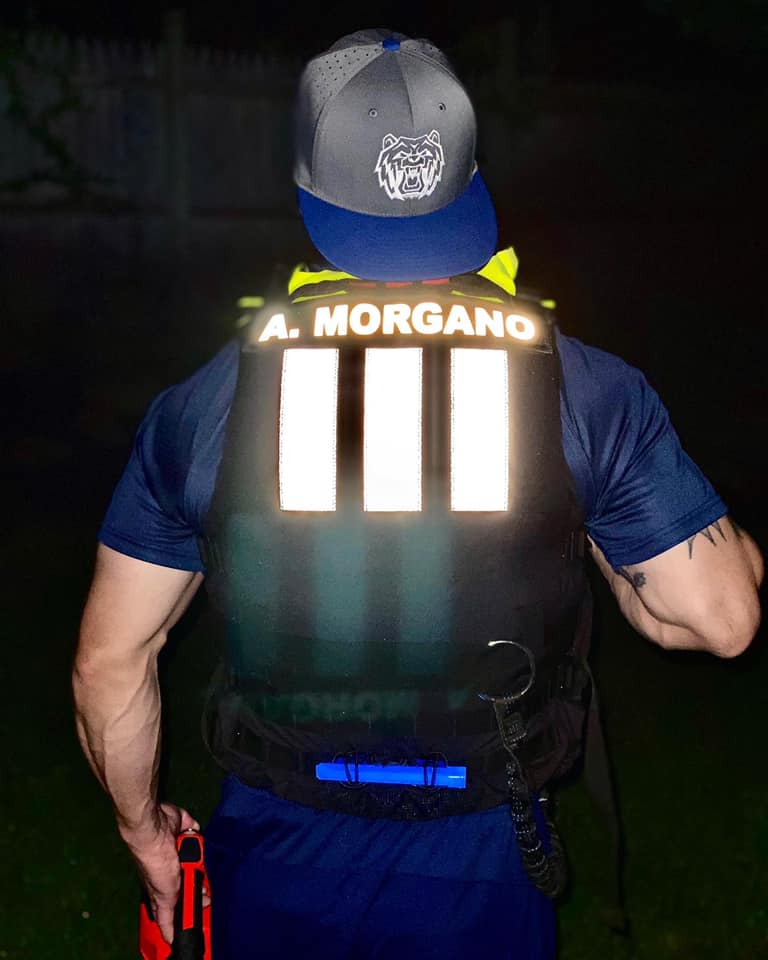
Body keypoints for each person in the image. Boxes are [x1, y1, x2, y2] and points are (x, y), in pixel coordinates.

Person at [73, 29, 763, 960]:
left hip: (276, 847)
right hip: (482, 855)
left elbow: (112, 660)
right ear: (467, 178)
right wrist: (593, 517)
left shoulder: (206, 405)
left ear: (309, 188)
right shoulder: (584, 389)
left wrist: (148, 837)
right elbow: (721, 620)